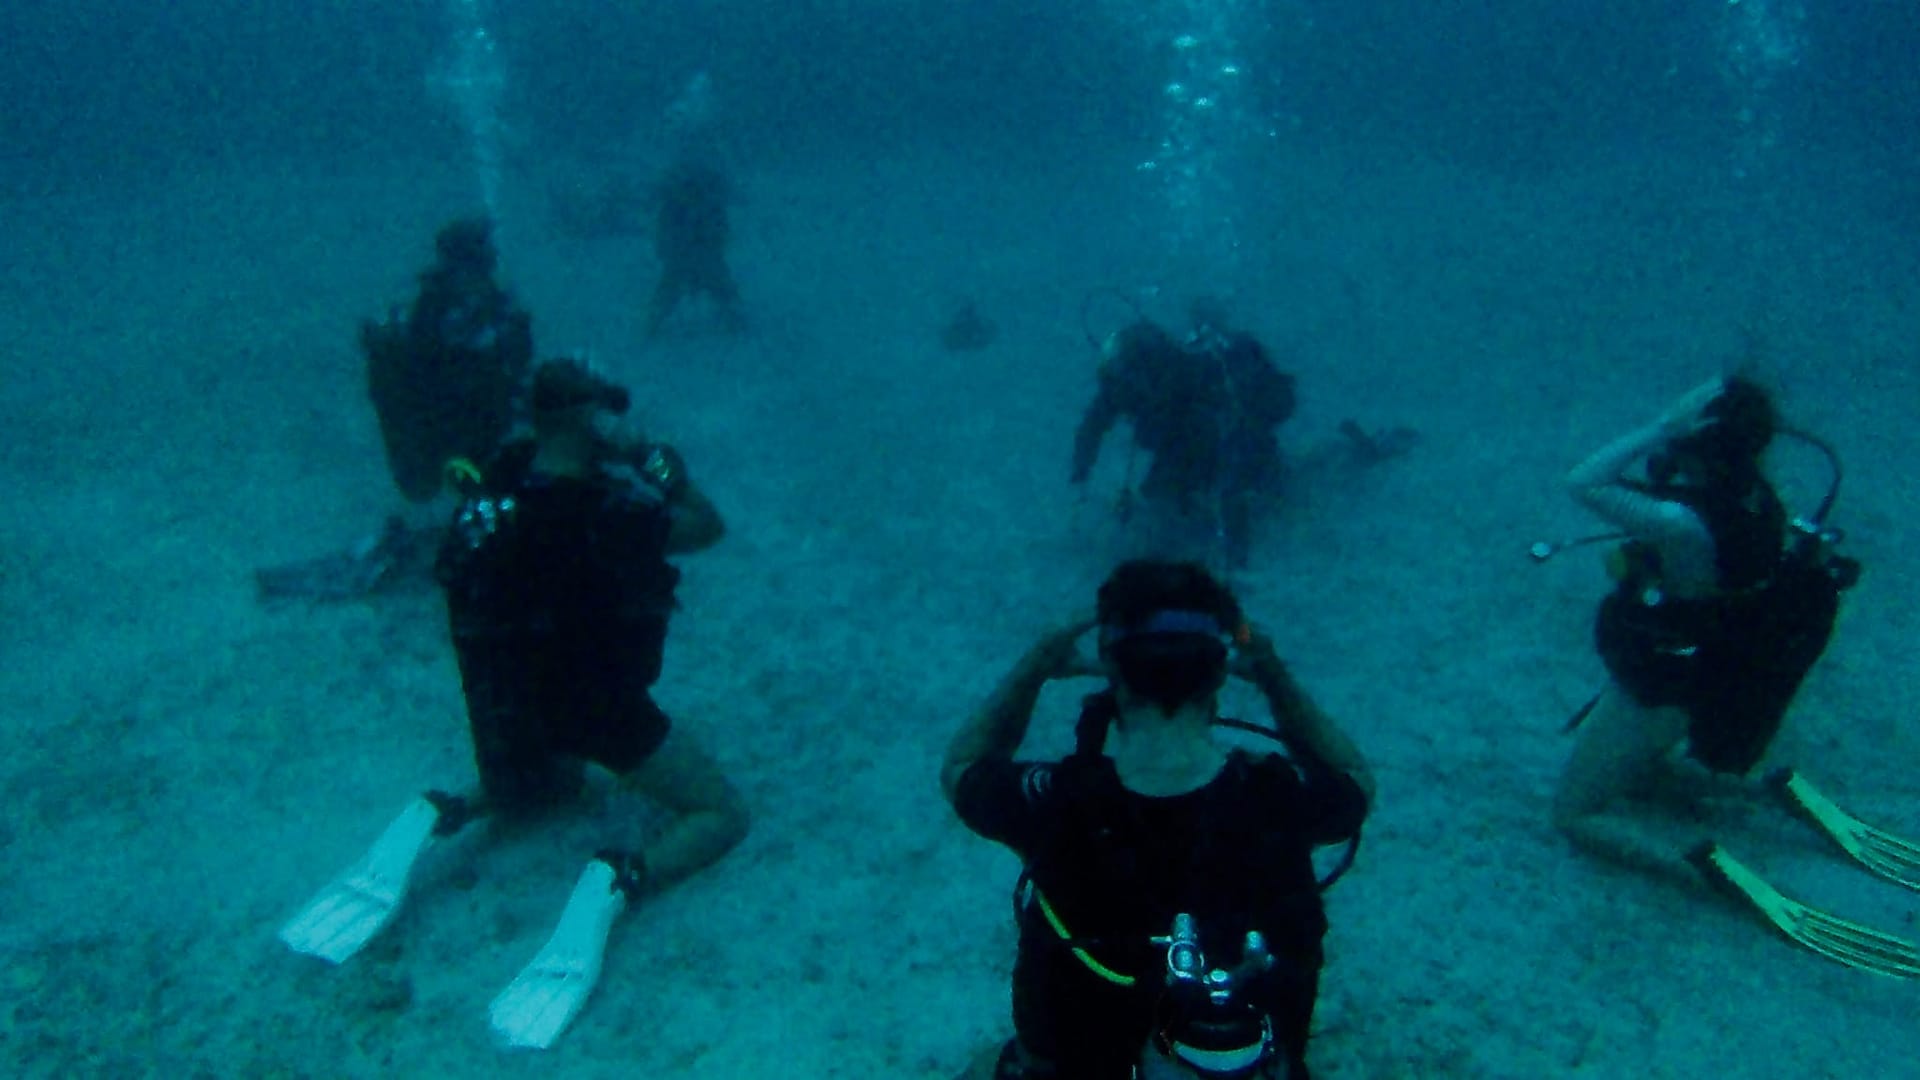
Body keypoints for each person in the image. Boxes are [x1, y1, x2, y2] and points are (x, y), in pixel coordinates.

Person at [280, 358, 748, 1048]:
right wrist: (659, 465)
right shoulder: (609, 511)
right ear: (588, 419)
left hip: (511, 703)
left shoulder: (496, 495)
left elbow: (464, 537)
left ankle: (449, 807)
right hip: (599, 709)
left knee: (555, 785)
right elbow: (706, 526)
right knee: (721, 812)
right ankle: (619, 878)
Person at [942, 560, 1373, 1079]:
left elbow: (963, 766)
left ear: (1109, 666)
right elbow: (1353, 776)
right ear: (1219, 672)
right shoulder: (1279, 797)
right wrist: (1273, 674)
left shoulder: (1056, 802)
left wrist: (1037, 664)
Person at [1548, 377, 1920, 977]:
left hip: (1662, 680)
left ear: (1700, 436)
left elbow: (1582, 481)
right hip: (1715, 670)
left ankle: (1699, 869)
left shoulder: (1680, 520)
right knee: (1643, 772)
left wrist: (1660, 427)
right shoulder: (1756, 498)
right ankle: (1766, 791)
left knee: (1574, 813)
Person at [1070, 302, 1296, 568]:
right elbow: (1094, 422)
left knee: (1250, 479)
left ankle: (1257, 488)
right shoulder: (1121, 384)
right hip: (1180, 443)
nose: (1129, 391)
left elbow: (1225, 426)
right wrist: (1081, 468)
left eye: (1132, 382)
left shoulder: (1183, 370)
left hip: (1216, 438)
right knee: (1166, 497)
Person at [365, 215, 534, 503]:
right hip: (431, 423)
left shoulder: (502, 315)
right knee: (422, 487)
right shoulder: (422, 315)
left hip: (480, 423)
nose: (475, 280)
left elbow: (518, 372)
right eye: (468, 269)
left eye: (481, 268)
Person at [642, 153, 746, 339]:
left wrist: (668, 250)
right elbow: (720, 230)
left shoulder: (681, 206)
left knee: (720, 289)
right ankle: (652, 323)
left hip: (694, 258)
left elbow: (719, 230)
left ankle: (736, 320)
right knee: (720, 289)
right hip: (694, 258)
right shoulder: (681, 207)